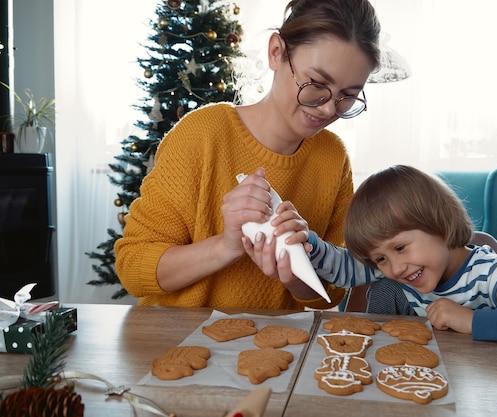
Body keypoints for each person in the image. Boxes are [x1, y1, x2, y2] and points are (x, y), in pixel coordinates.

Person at [114, 0, 381, 309]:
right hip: (177, 342)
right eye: (316, 84)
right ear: (276, 52)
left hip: (275, 351)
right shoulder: (202, 135)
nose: (328, 108)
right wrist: (226, 246)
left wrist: (294, 274)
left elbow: (332, 291)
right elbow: (132, 267)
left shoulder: (332, 157)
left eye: (348, 96)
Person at [293, 165, 497, 353]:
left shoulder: (492, 276)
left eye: (400, 248)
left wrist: (473, 321)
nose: (394, 268)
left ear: (441, 225)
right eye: (380, 259)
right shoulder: (399, 270)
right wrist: (307, 242)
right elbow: (345, 268)